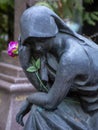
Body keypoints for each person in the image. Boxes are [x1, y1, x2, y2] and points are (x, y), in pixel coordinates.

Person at [16, 5, 98, 130]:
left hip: (92, 112)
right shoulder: (51, 49)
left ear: (53, 31)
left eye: (41, 40)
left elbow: (50, 102)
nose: (37, 47)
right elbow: (46, 90)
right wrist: (25, 63)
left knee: (38, 113)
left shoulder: (71, 58)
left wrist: (29, 99)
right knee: (37, 111)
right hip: (78, 101)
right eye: (31, 43)